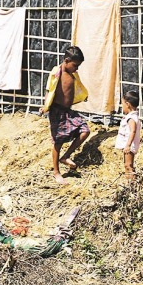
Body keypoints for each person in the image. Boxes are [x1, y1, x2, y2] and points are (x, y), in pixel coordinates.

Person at [41, 46, 90, 185]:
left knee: (85, 130)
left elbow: (76, 87)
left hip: (68, 111)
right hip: (57, 111)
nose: (77, 68)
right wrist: (45, 106)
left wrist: (82, 95)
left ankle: (66, 156)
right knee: (58, 142)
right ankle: (56, 172)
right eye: (75, 65)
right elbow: (49, 89)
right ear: (67, 60)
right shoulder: (57, 73)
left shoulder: (73, 74)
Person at [114, 89, 141, 180]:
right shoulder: (132, 116)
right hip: (129, 144)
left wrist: (128, 145)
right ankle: (129, 181)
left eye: (123, 104)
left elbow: (133, 131)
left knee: (128, 165)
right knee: (127, 165)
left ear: (128, 104)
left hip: (129, 145)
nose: (122, 107)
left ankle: (132, 182)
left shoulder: (131, 118)